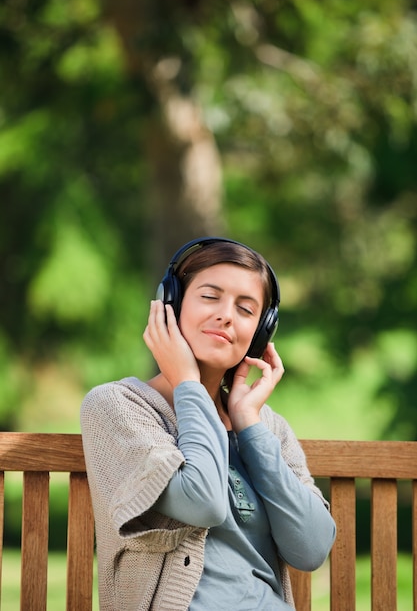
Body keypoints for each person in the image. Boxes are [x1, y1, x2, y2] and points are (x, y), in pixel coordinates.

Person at [80, 237, 336, 611]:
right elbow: (203, 502)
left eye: (246, 309)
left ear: (261, 333)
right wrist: (188, 384)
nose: (227, 315)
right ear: (171, 304)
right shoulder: (118, 406)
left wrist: (249, 426)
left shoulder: (269, 428)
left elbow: (312, 548)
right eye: (210, 296)